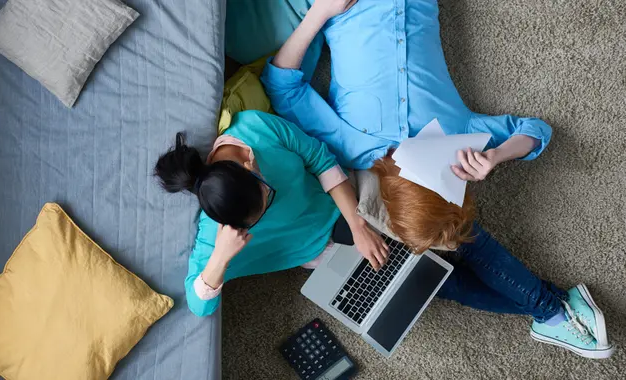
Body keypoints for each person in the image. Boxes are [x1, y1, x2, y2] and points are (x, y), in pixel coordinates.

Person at [261, 0, 614, 358]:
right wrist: (497, 155)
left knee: (445, 250)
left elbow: (281, 85)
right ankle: (550, 310)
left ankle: (551, 312)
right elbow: (536, 131)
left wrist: (321, 13)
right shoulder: (456, 136)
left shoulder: (347, 141)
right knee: (455, 242)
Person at [155, 110, 389, 318]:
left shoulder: (254, 126)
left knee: (406, 220)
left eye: (268, 196)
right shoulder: (214, 230)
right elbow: (198, 306)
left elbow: (320, 159)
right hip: (319, 253)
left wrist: (357, 226)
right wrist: (220, 257)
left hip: (341, 200)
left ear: (251, 165)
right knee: (382, 293)